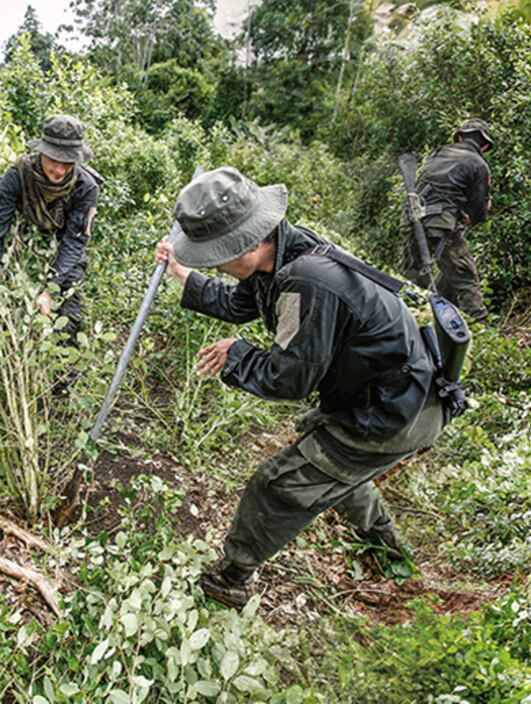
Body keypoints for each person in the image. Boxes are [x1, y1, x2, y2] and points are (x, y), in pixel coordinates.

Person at [154, 167, 444, 608]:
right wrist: (181, 274)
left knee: (274, 487)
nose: (212, 263)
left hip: (392, 414)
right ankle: (392, 555)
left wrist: (236, 356)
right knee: (339, 473)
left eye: (217, 254)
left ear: (250, 241)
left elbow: (290, 379)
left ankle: (231, 579)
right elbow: (238, 304)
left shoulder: (306, 279)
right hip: (386, 399)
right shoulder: (281, 254)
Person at [0, 114, 100, 342]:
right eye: (55, 160)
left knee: (69, 321)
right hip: (21, 249)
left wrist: (51, 290)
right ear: (42, 152)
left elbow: (74, 243)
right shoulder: (17, 176)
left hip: (64, 256)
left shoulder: (86, 188)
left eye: (68, 162)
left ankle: (64, 375)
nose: (60, 169)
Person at [405, 118, 494, 321]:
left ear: (460, 137)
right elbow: (478, 212)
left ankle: (413, 322)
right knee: (465, 277)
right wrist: (477, 215)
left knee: (414, 279)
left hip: (412, 220)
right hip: (440, 224)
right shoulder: (479, 164)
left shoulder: (439, 153)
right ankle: (480, 330)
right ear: (485, 145)